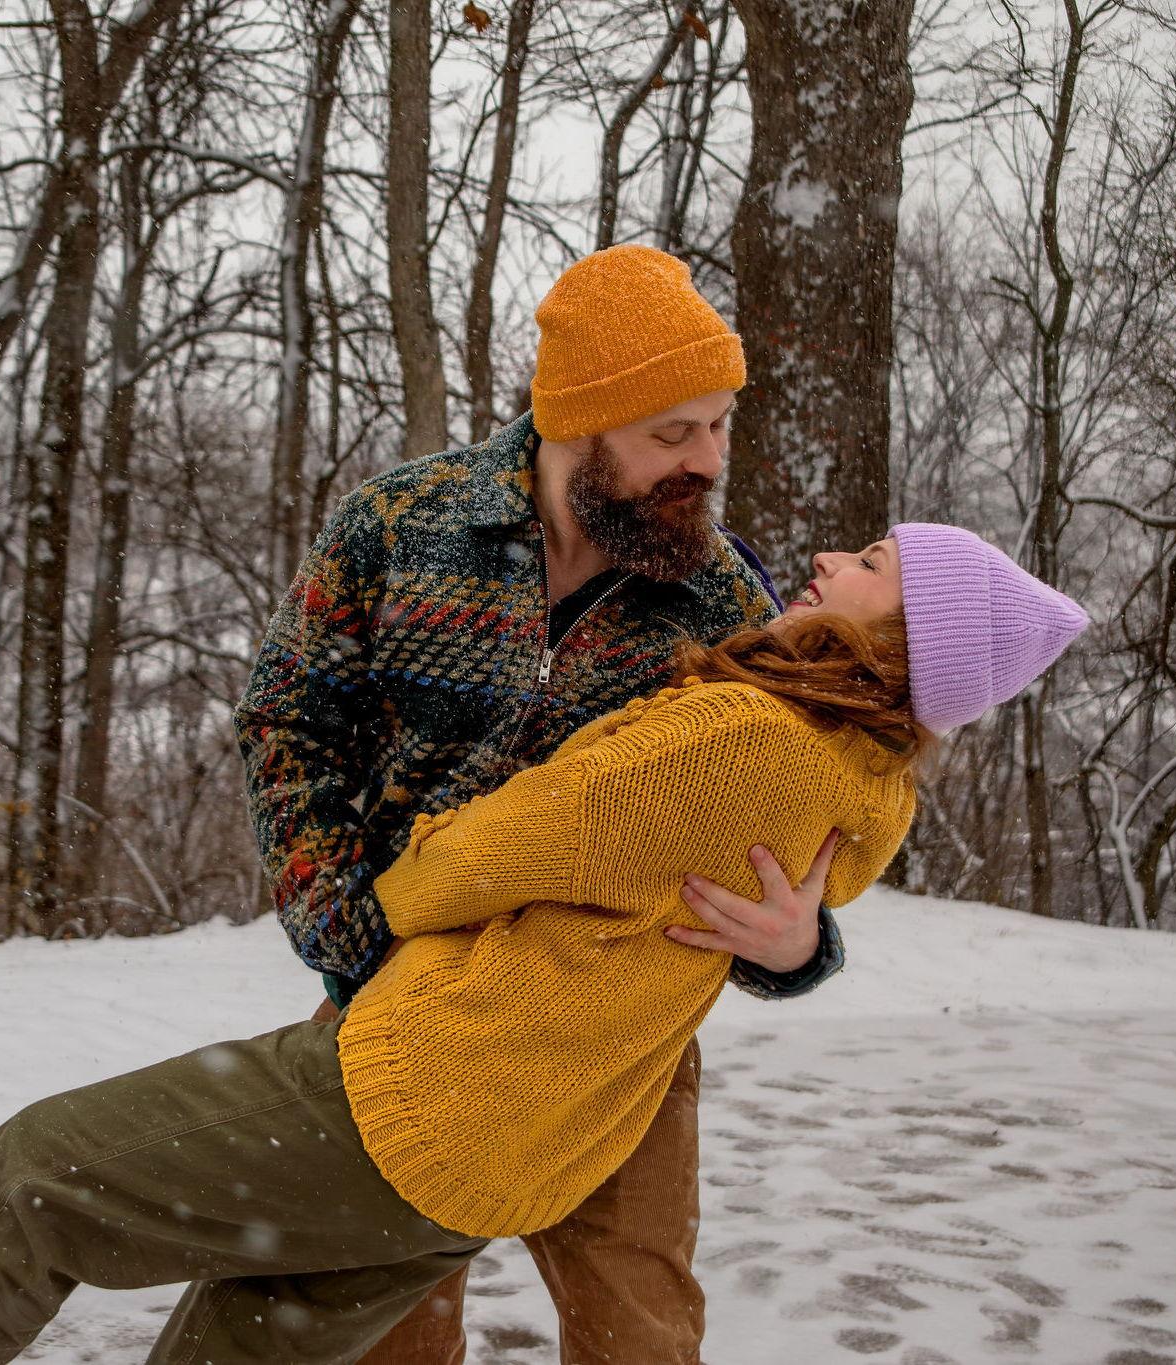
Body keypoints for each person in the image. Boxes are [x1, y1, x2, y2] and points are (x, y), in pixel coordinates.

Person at [0, 523, 1088, 1365]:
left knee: (30, 1183)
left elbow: (522, 841)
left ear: (910, 642)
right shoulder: (860, 770)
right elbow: (296, 704)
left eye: (868, 563)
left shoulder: (745, 706)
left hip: (435, 1081)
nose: (823, 559)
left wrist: (387, 895)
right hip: (503, 1143)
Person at [235, 243, 851, 1365]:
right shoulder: (399, 524)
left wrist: (797, 943)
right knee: (375, 1335)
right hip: (398, 1000)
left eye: (720, 426)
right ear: (580, 426)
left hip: (618, 1034)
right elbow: (288, 721)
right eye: (674, 432)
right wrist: (342, 926)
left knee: (639, 1338)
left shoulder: (719, 598)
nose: (708, 461)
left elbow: (793, 811)